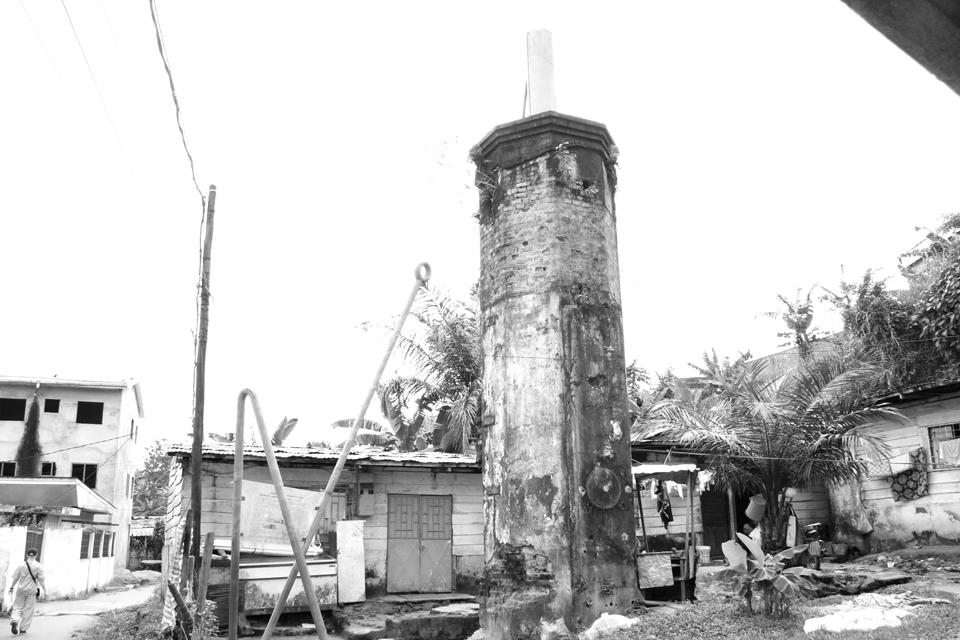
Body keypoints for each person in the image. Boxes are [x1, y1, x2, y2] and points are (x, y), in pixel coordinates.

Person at [7, 549, 44, 635]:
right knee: (28, 610)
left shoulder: (21, 565)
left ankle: (15, 620)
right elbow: (41, 580)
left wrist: (12, 587)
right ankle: (23, 629)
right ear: (36, 555)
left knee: (17, 607)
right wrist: (45, 590)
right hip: (31, 591)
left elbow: (15, 578)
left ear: (27, 555)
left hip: (20, 590)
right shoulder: (38, 566)